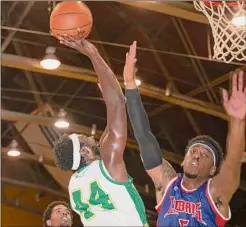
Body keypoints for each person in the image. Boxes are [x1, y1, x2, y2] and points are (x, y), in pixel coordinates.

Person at [123, 41, 245, 227]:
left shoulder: (215, 194)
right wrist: (130, 85)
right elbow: (144, 136)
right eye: (193, 151)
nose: (196, 154)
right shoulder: (167, 184)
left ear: (213, 170)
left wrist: (237, 122)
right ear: (183, 160)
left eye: (204, 155)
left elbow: (233, 162)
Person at [52, 35, 148, 227]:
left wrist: (109, 98)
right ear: (84, 152)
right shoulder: (108, 162)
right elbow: (119, 104)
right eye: (85, 138)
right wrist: (93, 54)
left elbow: (113, 115)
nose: (91, 136)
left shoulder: (74, 185)